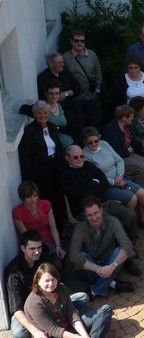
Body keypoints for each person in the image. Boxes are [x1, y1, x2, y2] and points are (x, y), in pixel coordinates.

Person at [6, 231, 112, 338]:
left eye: (39, 247)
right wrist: (34, 330)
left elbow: (54, 280)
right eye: (32, 248)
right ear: (23, 248)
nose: (37, 252)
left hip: (50, 300)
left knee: (82, 297)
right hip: (28, 311)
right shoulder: (13, 273)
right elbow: (16, 309)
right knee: (19, 333)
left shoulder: (42, 258)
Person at [61, 145, 139, 251]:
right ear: (67, 158)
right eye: (75, 157)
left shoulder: (88, 165)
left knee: (130, 215)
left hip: (103, 203)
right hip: (87, 210)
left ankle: (130, 245)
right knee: (113, 222)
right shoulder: (65, 175)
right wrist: (95, 183)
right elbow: (79, 195)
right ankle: (123, 253)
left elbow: (104, 182)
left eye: (81, 156)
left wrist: (91, 186)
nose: (79, 159)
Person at [81, 127, 144, 231]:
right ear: (85, 142)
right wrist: (114, 182)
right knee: (132, 198)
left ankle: (141, 220)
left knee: (142, 193)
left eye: (96, 141)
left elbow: (119, 160)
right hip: (106, 185)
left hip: (120, 178)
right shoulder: (85, 155)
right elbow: (96, 177)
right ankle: (131, 226)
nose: (94, 144)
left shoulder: (104, 144)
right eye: (90, 142)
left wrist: (119, 175)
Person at [69, 197, 136, 299]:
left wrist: (111, 267)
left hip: (109, 262)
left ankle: (95, 290)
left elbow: (127, 245)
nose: (94, 218)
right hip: (91, 267)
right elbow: (73, 256)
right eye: (89, 215)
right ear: (85, 216)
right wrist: (99, 269)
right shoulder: (80, 228)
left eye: (96, 213)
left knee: (120, 251)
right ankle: (112, 283)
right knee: (81, 256)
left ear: (101, 210)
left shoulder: (113, 221)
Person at [24, 263, 112, 338]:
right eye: (46, 281)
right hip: (53, 334)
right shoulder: (34, 303)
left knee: (106, 309)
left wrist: (85, 336)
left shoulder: (61, 288)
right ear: (38, 281)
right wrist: (76, 337)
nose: (51, 284)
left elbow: (71, 313)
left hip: (67, 324)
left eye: (53, 279)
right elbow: (53, 330)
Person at [18, 100, 65, 232]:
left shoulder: (51, 126)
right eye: (39, 113)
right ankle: (49, 231)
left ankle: (60, 230)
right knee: (46, 201)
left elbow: (59, 147)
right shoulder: (29, 131)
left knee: (59, 200)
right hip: (40, 172)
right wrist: (30, 180)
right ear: (34, 114)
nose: (43, 115)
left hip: (55, 168)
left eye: (45, 112)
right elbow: (26, 157)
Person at [102, 105, 144, 199]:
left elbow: (133, 142)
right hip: (121, 158)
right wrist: (128, 150)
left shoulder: (127, 126)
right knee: (143, 170)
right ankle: (139, 195)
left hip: (130, 153)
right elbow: (115, 152)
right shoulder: (111, 129)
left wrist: (143, 142)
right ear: (124, 118)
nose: (133, 118)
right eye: (131, 116)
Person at [12, 181, 65, 271]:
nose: (33, 200)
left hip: (48, 241)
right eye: (29, 197)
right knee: (39, 267)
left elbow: (53, 227)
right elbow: (27, 237)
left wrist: (58, 246)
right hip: (34, 244)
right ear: (22, 197)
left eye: (35, 195)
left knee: (57, 264)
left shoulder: (45, 205)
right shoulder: (18, 213)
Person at [62, 29, 103, 129]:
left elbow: (98, 73)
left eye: (82, 41)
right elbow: (64, 78)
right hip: (76, 100)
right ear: (71, 41)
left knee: (93, 124)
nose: (79, 43)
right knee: (79, 127)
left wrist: (97, 90)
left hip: (91, 97)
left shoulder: (92, 54)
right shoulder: (65, 58)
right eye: (76, 40)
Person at [36, 53, 81, 118]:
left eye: (62, 62)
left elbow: (78, 87)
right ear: (51, 64)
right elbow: (42, 98)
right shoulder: (43, 78)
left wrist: (67, 93)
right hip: (54, 114)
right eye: (59, 63)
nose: (62, 64)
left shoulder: (65, 72)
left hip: (71, 111)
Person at [44, 79, 74, 147]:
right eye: (51, 93)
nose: (54, 96)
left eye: (57, 93)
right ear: (46, 94)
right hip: (56, 147)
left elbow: (71, 126)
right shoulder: (43, 109)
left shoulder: (62, 106)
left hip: (69, 142)